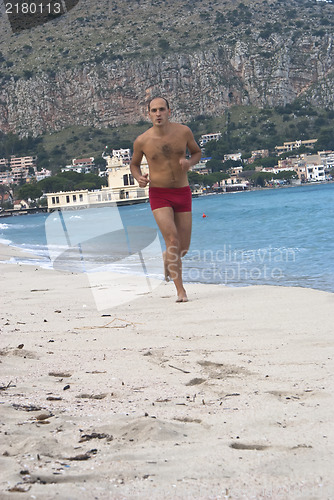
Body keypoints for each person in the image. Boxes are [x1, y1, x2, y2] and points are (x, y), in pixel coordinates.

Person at [130, 97, 201, 302]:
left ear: (169, 111)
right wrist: (139, 178)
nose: (158, 113)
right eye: (154, 110)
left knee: (183, 248)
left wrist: (189, 162)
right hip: (159, 194)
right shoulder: (142, 140)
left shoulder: (183, 132)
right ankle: (181, 291)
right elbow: (134, 164)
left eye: (162, 109)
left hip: (182, 192)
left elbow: (197, 152)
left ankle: (166, 257)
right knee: (172, 240)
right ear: (149, 114)